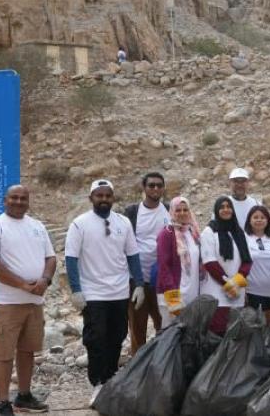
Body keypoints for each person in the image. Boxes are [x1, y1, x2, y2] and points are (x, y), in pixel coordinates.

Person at [64, 179, 146, 406]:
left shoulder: (123, 223)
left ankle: (110, 379)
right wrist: (76, 290)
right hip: (93, 293)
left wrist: (138, 284)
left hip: (120, 292)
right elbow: (71, 259)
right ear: (91, 198)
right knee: (95, 338)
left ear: (113, 198)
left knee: (117, 336)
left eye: (107, 195)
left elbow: (132, 255)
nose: (103, 199)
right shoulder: (79, 224)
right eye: (99, 195)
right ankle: (97, 383)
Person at [0, 185, 54, 415]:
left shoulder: (37, 226)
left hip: (34, 301)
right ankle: (2, 403)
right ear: (5, 200)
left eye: (23, 198)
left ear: (28, 201)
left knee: (27, 350)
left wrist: (45, 280)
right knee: (3, 353)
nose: (19, 201)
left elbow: (50, 257)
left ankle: (24, 395)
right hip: (5, 302)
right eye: (14, 198)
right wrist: (23, 285)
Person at [123, 172, 169, 354]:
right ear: (144, 187)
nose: (155, 188)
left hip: (163, 282)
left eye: (159, 185)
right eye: (151, 185)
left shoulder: (169, 210)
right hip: (137, 281)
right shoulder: (132, 212)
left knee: (164, 326)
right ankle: (136, 369)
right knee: (137, 328)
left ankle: (162, 365)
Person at [200, 196, 253, 335]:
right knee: (218, 332)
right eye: (222, 207)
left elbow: (247, 260)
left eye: (228, 207)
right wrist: (228, 283)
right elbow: (210, 262)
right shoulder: (209, 232)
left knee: (236, 333)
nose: (226, 210)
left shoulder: (239, 232)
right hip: (216, 292)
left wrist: (237, 281)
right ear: (216, 211)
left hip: (237, 292)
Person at [156, 196, 202, 329]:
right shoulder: (166, 234)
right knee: (171, 334)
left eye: (185, 210)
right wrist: (173, 297)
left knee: (190, 333)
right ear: (171, 212)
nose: (182, 213)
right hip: (174, 293)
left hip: (192, 291)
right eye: (178, 210)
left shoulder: (193, 232)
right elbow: (163, 266)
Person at [243, 205, 270, 325]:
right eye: (255, 217)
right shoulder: (244, 240)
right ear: (249, 221)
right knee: (253, 329)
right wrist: (242, 291)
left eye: (262, 217)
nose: (259, 220)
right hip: (252, 292)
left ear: (268, 221)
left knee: (269, 328)